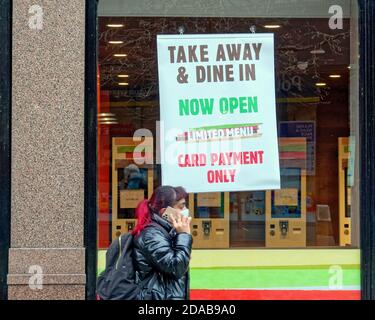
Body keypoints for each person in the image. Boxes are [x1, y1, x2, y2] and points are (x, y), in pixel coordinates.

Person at [132, 185, 192, 300]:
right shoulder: (151, 235)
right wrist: (184, 235)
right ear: (165, 212)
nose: (185, 211)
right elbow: (176, 268)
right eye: (181, 206)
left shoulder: (168, 231)